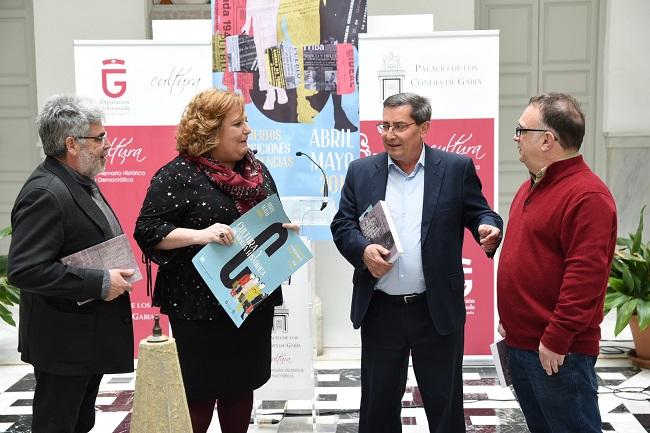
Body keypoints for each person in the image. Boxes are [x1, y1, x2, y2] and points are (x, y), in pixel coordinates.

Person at [330, 92, 503, 433]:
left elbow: (481, 211)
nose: (389, 134)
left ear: (424, 128)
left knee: (444, 406)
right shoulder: (362, 171)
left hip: (434, 309)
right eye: (385, 125)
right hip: (380, 310)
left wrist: (489, 226)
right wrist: (363, 251)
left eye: (399, 126)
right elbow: (343, 224)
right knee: (378, 407)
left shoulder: (455, 169)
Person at [134, 88, 295, 433]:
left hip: (250, 301)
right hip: (198, 308)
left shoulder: (257, 171)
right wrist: (201, 235)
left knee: (242, 386)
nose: (247, 130)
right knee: (200, 393)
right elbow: (147, 230)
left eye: (246, 121)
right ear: (210, 132)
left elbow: (268, 221)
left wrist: (282, 229)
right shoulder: (178, 174)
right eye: (237, 123)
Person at [8, 94, 134, 433]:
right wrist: (100, 283)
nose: (108, 144)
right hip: (63, 342)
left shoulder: (77, 180)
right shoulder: (46, 192)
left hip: (84, 338)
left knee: (80, 421)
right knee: (58, 423)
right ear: (72, 144)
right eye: (100, 137)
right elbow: (25, 268)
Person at [497, 92, 617, 433]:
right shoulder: (531, 186)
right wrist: (512, 321)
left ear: (547, 140)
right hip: (524, 343)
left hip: (557, 352)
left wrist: (557, 337)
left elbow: (586, 277)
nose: (515, 137)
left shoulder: (587, 196)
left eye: (522, 130)